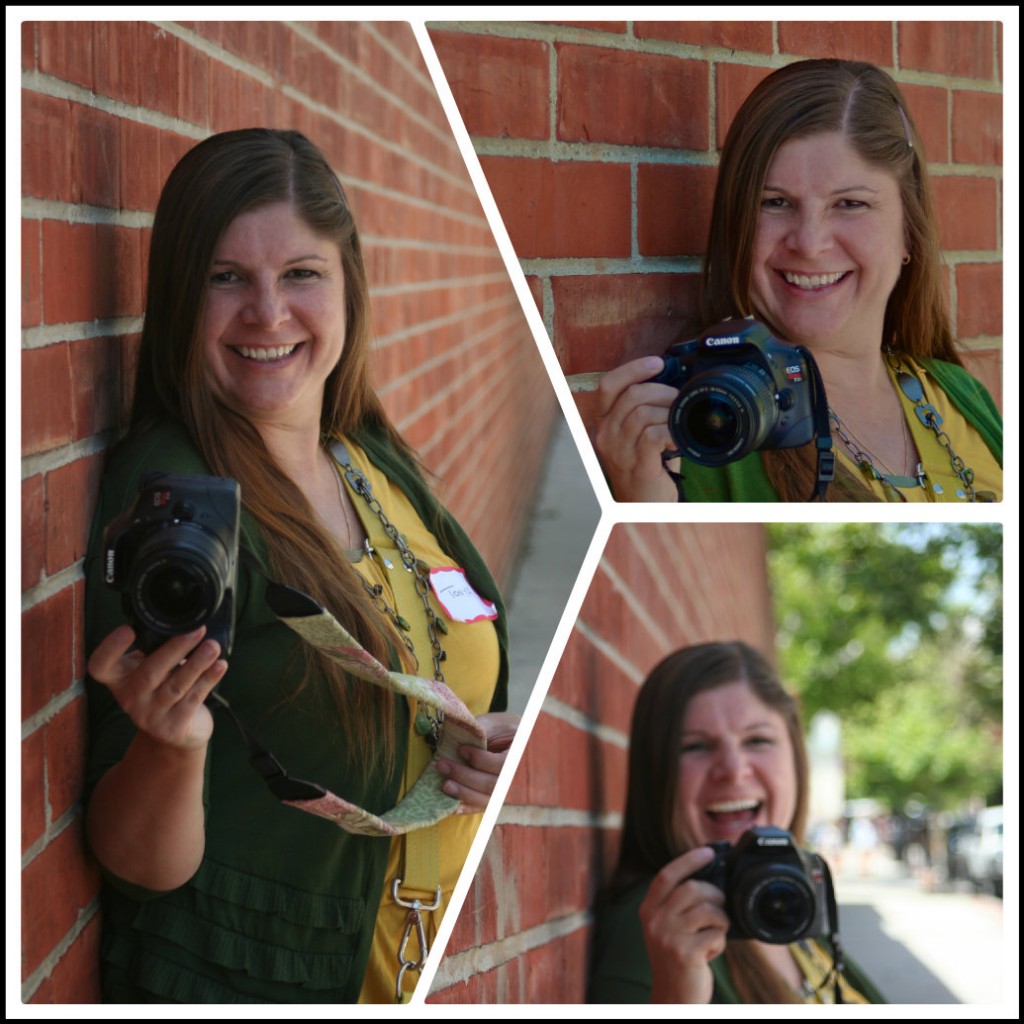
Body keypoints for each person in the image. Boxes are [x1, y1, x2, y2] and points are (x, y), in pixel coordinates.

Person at [83, 128, 518, 1003]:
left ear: (349, 285)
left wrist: (493, 752)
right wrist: (170, 752)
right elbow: (136, 867)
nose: (268, 314)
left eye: (301, 275)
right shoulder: (177, 502)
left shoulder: (364, 455)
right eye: (226, 277)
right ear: (179, 299)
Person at [594, 60, 1002, 502]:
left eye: (849, 203)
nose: (809, 243)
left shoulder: (958, 393)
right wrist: (645, 498)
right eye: (774, 202)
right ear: (737, 226)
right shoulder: (693, 428)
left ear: (908, 231)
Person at [588, 642, 885, 1003]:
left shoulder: (784, 901)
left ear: (796, 759)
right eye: (696, 746)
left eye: (758, 740)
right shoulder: (655, 936)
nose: (733, 770)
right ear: (656, 776)